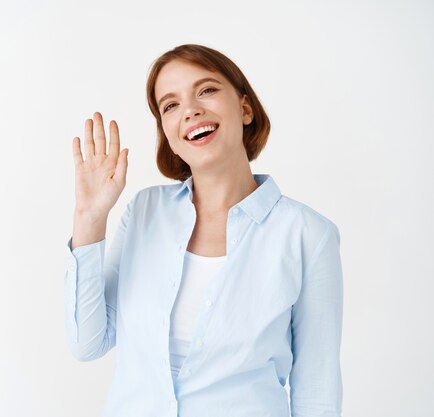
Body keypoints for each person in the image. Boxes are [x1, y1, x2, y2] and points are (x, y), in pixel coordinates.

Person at [64, 44, 343, 417]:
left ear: (245, 108)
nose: (191, 110)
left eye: (206, 90)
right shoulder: (144, 212)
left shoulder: (309, 235)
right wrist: (89, 216)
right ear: (167, 132)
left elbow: (317, 394)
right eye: (170, 105)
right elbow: (88, 341)